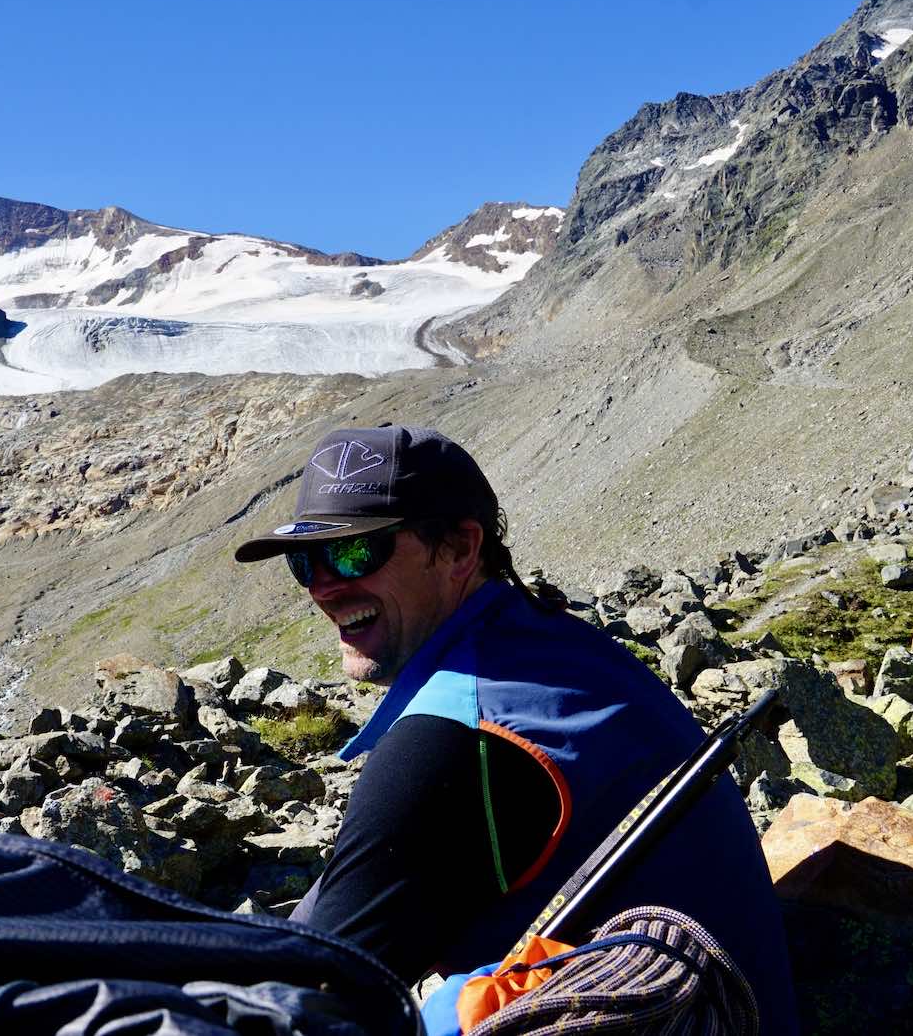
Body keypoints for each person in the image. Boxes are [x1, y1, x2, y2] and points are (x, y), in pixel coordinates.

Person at [233, 425, 798, 1034]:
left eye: (353, 552)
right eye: (304, 561)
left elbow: (305, 998)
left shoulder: (459, 739)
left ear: (458, 548)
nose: (323, 583)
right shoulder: (551, 648)